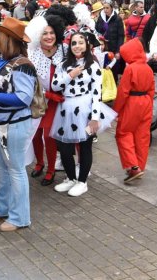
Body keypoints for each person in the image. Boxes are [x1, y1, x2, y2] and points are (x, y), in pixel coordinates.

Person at [0, 17, 37, 231]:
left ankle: (20, 217)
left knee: (16, 170)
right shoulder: (2, 60)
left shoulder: (23, 65)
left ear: (9, 39)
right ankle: (3, 208)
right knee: (2, 169)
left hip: (13, 124)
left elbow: (24, 98)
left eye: (0, 35)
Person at [50, 30, 114, 197]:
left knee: (85, 146)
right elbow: (55, 85)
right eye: (73, 43)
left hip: (85, 107)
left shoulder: (93, 65)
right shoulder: (63, 64)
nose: (77, 46)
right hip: (66, 108)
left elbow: (96, 93)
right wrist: (71, 75)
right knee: (64, 146)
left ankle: (82, 181)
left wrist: (94, 117)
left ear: (87, 45)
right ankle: (71, 178)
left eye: (80, 43)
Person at [26, 14, 66, 186]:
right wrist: (49, 95)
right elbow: (30, 82)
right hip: (38, 100)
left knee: (49, 136)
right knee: (35, 134)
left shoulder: (64, 50)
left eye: (51, 32)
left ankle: (51, 169)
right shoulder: (32, 54)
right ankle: (39, 163)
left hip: (59, 102)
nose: (49, 37)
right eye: (44, 33)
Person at [114, 38, 154, 183]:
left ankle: (133, 166)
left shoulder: (130, 68)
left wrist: (116, 110)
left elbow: (123, 91)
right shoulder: (148, 67)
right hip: (146, 102)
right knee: (142, 136)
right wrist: (148, 102)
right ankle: (140, 166)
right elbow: (151, 89)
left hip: (132, 102)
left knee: (123, 133)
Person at [95, 0, 124, 81]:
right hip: (103, 47)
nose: (105, 10)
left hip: (113, 47)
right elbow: (97, 29)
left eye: (107, 8)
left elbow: (121, 36)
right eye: (104, 8)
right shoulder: (101, 17)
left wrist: (118, 51)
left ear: (112, 8)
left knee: (113, 68)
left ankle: (113, 86)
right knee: (103, 67)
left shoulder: (117, 19)